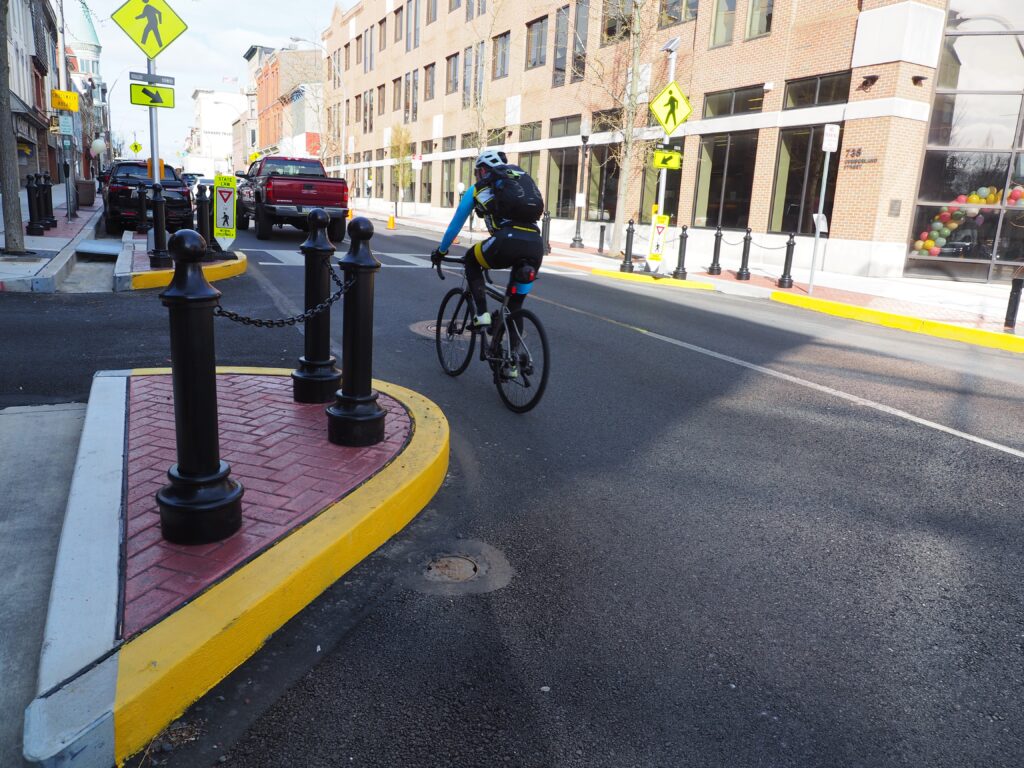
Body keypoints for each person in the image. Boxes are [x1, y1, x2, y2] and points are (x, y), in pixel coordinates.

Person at [431, 149, 544, 329]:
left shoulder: (477, 189)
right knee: (514, 306)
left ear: (483, 170)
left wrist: (441, 251)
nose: (476, 176)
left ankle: (482, 315)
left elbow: (454, 226)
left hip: (506, 242)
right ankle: (511, 343)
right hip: (536, 245)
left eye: (476, 172)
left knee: (471, 259)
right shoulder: (518, 182)